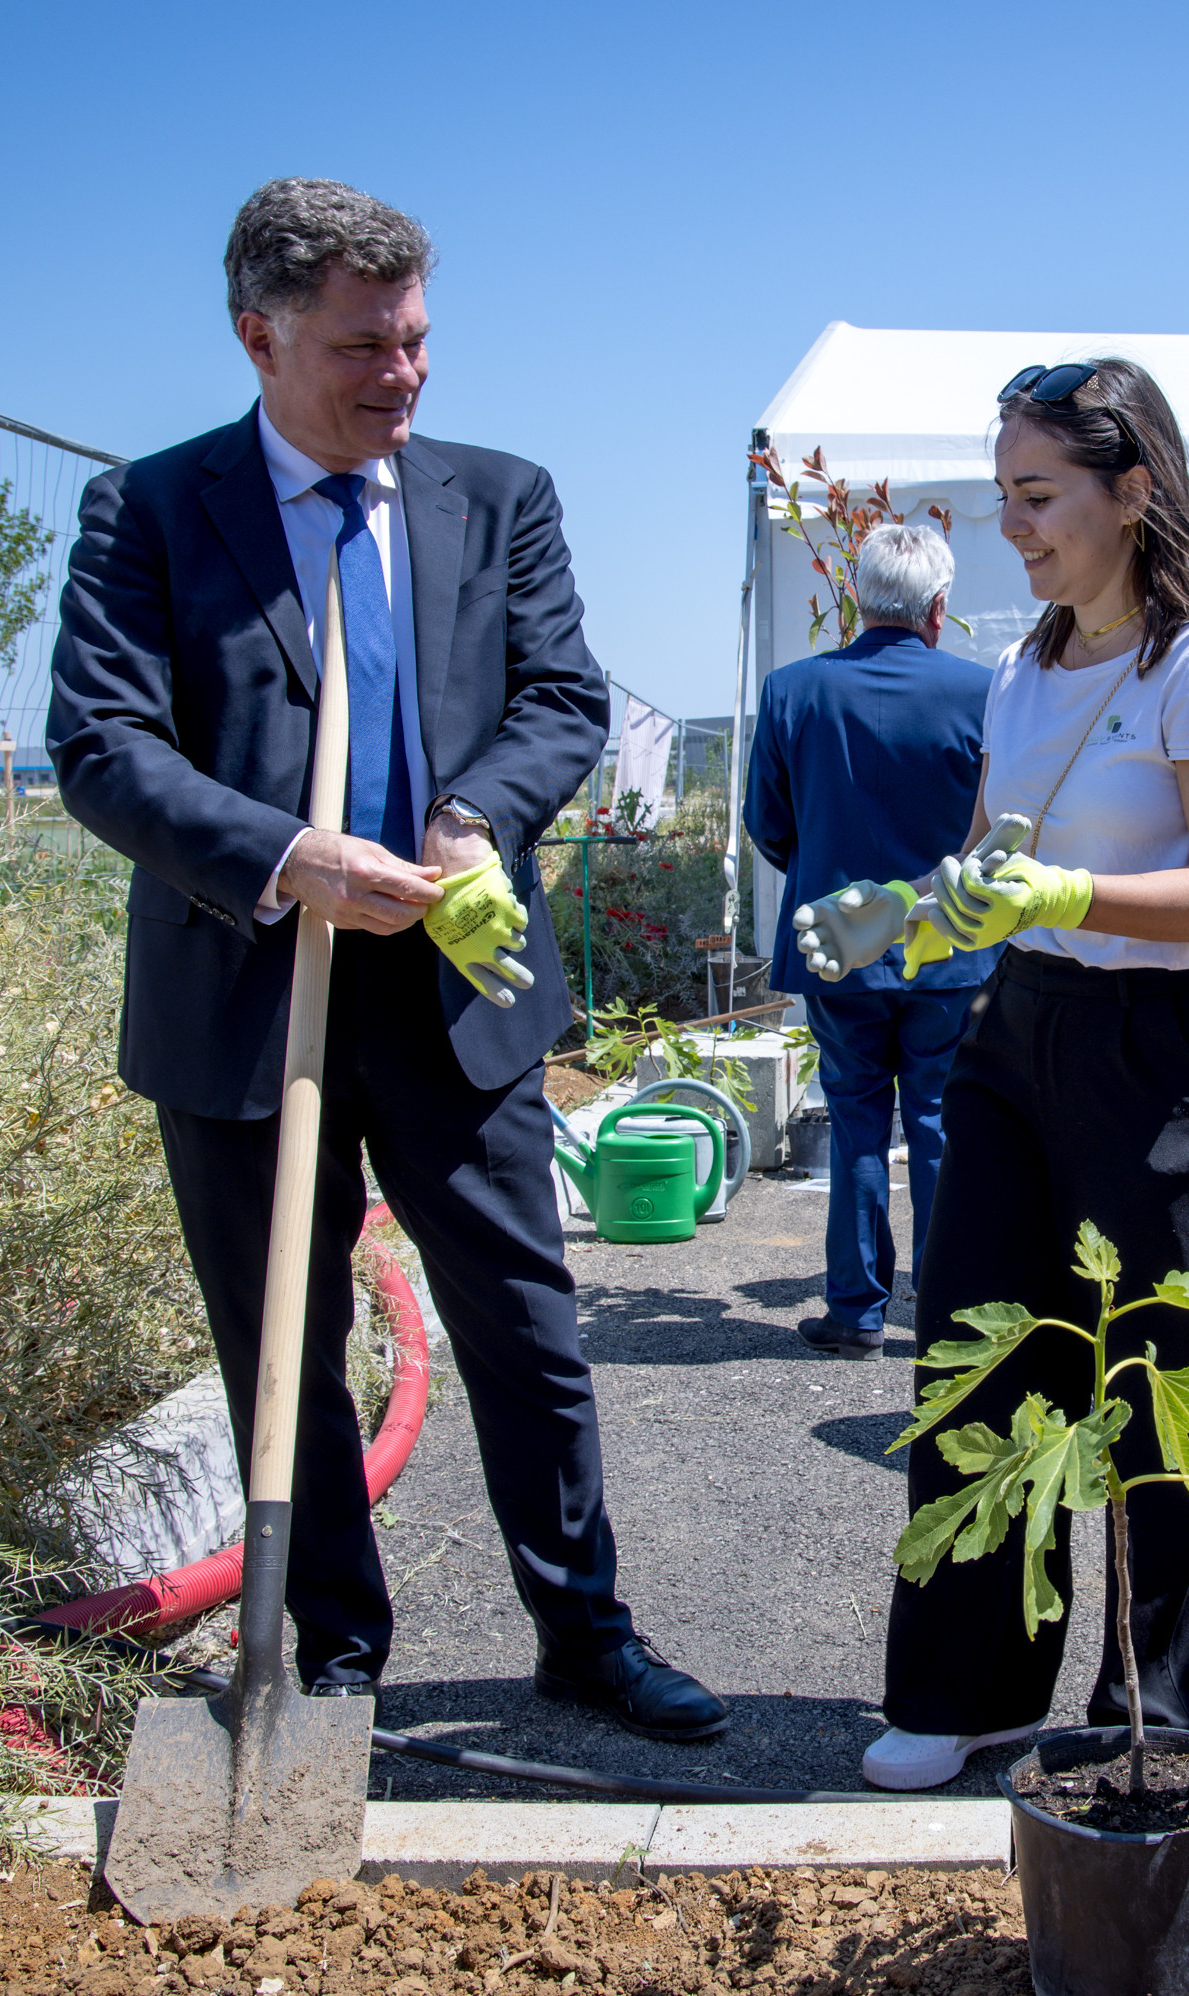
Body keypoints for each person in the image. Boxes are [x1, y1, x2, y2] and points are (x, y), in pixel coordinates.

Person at [47, 179, 724, 1741]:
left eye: (417, 341)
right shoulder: (153, 512)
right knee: (282, 1338)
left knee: (523, 1324)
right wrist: (288, 859)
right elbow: (102, 744)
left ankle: (584, 1629)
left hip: (451, 992)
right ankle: (334, 1653)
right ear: (259, 338)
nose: (403, 377)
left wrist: (476, 818)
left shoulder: (498, 496)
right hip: (246, 990)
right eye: (364, 348)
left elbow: (559, 698)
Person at [790, 357, 1189, 1791]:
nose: (1010, 524)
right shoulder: (1026, 662)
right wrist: (919, 908)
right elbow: (990, 856)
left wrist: (1055, 894)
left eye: (1038, 494)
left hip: (1166, 1053)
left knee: (1170, 1384)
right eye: (1004, 494)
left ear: (1133, 491)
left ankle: (1163, 1708)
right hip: (1018, 1030)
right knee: (977, 1355)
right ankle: (971, 1689)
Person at [743, 522, 998, 1356]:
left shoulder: (792, 690)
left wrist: (830, 874)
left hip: (837, 943)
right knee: (935, 1119)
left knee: (855, 1118)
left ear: (857, 597)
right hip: (948, 943)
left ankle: (854, 1311)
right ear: (939, 607)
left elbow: (768, 826)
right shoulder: (982, 690)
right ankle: (948, 1314)